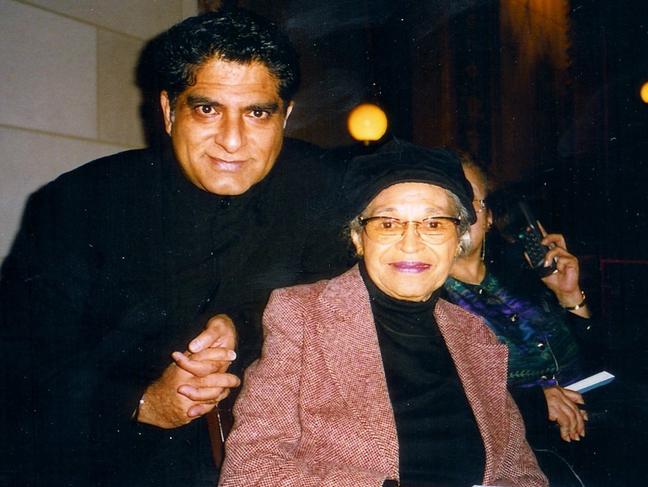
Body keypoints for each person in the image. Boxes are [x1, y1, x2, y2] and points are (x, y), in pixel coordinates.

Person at [0, 8, 350, 486]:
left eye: (257, 113)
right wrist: (141, 402)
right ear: (168, 111)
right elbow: (20, 365)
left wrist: (242, 326)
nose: (232, 141)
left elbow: (348, 318)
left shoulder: (325, 191)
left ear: (285, 116)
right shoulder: (78, 203)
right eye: (207, 109)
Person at [219, 140, 548, 487]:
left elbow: (522, 473)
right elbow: (248, 473)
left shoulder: (473, 332)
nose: (411, 242)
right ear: (359, 237)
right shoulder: (302, 317)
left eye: (434, 224)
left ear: (459, 238)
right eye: (388, 224)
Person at [443, 155, 648, 485]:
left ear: (490, 216)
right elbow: (448, 406)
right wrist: (536, 401)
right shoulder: (430, 300)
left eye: (467, 197)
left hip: (600, 422)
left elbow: (605, 367)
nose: (457, 211)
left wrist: (571, 298)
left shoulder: (525, 275)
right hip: (529, 447)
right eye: (444, 198)